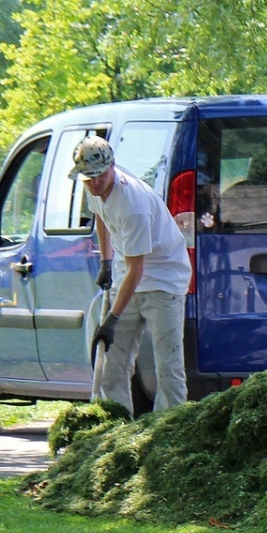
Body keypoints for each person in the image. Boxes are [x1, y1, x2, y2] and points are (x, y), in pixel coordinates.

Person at [72, 135, 192, 413]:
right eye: (88, 179)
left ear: (111, 166)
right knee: (111, 366)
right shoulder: (93, 188)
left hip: (164, 280)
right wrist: (105, 261)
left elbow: (138, 270)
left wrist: (112, 319)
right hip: (127, 275)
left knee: (168, 369)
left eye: (99, 177)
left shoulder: (133, 204)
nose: (94, 184)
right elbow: (100, 217)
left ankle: (169, 433)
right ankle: (115, 430)